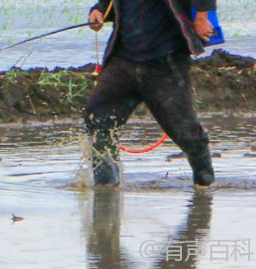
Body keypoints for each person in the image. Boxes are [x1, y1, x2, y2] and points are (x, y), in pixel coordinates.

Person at [85, 0, 217, 186]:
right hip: (123, 60)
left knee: (187, 133)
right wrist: (98, 11)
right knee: (97, 118)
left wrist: (202, 16)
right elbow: (111, 5)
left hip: (165, 60)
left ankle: (205, 184)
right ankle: (106, 187)